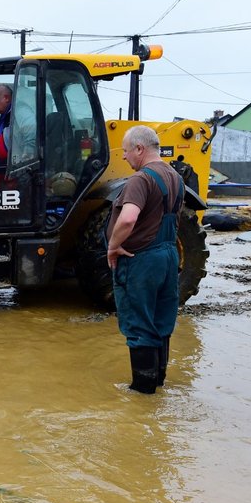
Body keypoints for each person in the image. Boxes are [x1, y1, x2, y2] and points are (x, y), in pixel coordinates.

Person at [105, 125, 184, 394]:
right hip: (168, 256)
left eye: (126, 151)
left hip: (141, 260)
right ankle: (158, 383)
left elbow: (128, 218)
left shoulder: (141, 179)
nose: (125, 157)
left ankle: (142, 393)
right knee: (161, 322)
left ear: (139, 149)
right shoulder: (175, 176)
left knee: (140, 325)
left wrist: (112, 247)